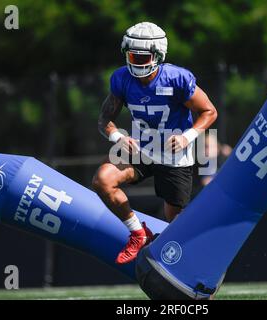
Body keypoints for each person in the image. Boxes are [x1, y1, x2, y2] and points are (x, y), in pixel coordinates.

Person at [91, 22, 218, 264]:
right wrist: (118, 136)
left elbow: (209, 111)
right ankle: (138, 233)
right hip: (141, 150)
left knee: (177, 224)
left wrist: (187, 136)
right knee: (103, 180)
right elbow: (104, 120)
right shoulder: (121, 79)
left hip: (175, 154)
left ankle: (192, 267)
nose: (136, 62)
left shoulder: (177, 78)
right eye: (132, 56)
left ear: (158, 55)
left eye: (142, 57)